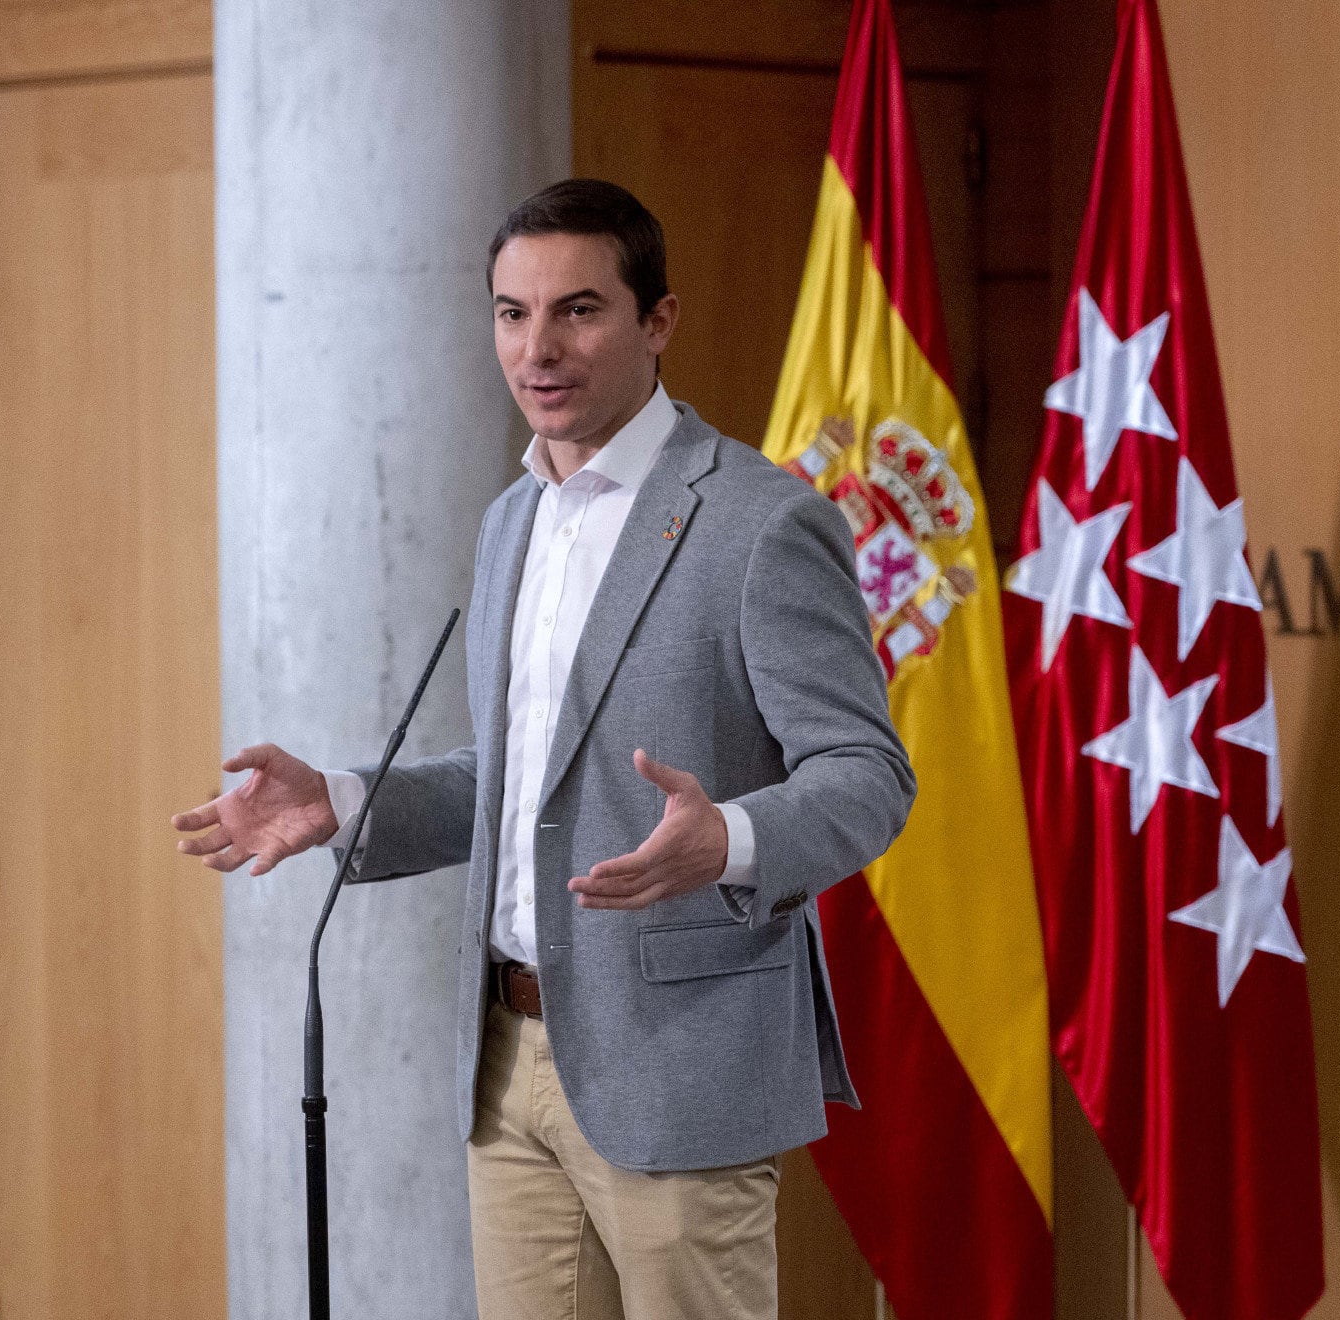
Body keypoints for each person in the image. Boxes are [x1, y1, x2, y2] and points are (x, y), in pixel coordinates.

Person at [171, 178, 913, 1320]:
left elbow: (868, 776)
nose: (539, 347)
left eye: (578, 310)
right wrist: (344, 800)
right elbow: (514, 783)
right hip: (508, 1058)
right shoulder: (511, 520)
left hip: (680, 1058)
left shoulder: (759, 524)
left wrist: (732, 839)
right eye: (513, 314)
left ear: (656, 321)